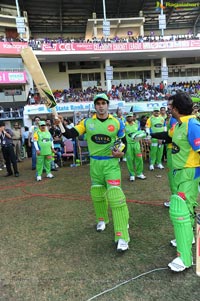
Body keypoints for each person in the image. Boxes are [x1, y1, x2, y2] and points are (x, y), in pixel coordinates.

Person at [58, 93, 130, 252]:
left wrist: (121, 152)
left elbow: (123, 142)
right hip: (95, 163)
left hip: (111, 163)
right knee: (97, 194)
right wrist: (60, 124)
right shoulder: (87, 122)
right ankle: (102, 220)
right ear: (95, 106)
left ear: (107, 105)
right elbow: (70, 135)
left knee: (116, 197)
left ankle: (122, 236)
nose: (101, 106)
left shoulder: (117, 122)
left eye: (104, 103)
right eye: (98, 103)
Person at [167, 92, 200, 272]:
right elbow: (169, 137)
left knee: (181, 209)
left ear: (177, 109)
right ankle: (186, 238)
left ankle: (185, 259)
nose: (169, 109)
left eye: (171, 106)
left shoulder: (192, 124)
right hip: (180, 173)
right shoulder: (180, 124)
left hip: (190, 172)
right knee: (185, 209)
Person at [125, 113, 146, 181]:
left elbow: (140, 135)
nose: (129, 118)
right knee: (130, 160)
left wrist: (141, 145)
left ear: (133, 117)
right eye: (128, 117)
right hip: (128, 145)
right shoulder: (124, 125)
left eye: (130, 117)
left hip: (136, 144)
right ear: (126, 118)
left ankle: (139, 173)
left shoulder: (137, 124)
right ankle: (132, 174)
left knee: (139, 158)